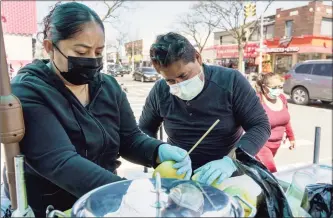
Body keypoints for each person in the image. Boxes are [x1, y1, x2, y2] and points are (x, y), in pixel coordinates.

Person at [2, 3, 191, 217]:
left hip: (104, 203)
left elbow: (129, 138)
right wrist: (128, 192)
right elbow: (60, 162)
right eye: (81, 51)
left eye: (98, 51)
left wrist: (157, 151)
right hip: (54, 208)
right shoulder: (29, 91)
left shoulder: (108, 86)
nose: (92, 59)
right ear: (49, 47)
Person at [139, 32, 271, 186]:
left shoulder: (231, 81)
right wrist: (158, 152)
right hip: (178, 177)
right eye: (170, 80)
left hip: (225, 176)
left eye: (184, 76)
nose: (179, 84)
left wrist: (232, 161)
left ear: (198, 58)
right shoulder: (160, 91)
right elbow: (144, 129)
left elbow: (260, 126)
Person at [254, 72, 295, 173]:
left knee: (262, 174)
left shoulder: (282, 98)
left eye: (280, 87)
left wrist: (291, 137)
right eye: (274, 87)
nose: (278, 90)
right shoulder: (257, 100)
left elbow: (286, 120)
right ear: (264, 87)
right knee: (272, 172)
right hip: (261, 145)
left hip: (276, 144)